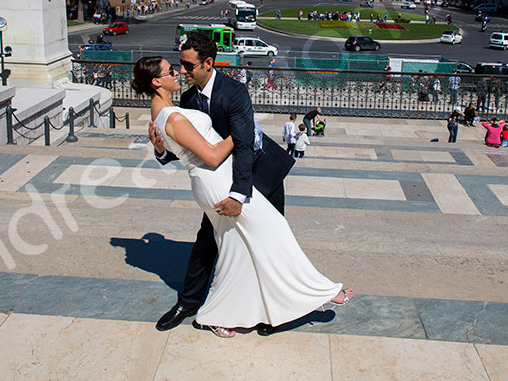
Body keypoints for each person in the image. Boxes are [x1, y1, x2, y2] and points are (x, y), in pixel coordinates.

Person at [137, 56, 351, 338]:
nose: (181, 71)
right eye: (174, 69)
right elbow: (205, 152)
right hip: (220, 180)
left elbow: (185, 141)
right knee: (273, 232)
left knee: (237, 250)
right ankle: (321, 290)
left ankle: (227, 313)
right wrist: (242, 132)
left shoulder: (226, 92)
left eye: (187, 65)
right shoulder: (179, 106)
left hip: (256, 172)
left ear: (207, 63)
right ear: (156, 81)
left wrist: (167, 146)